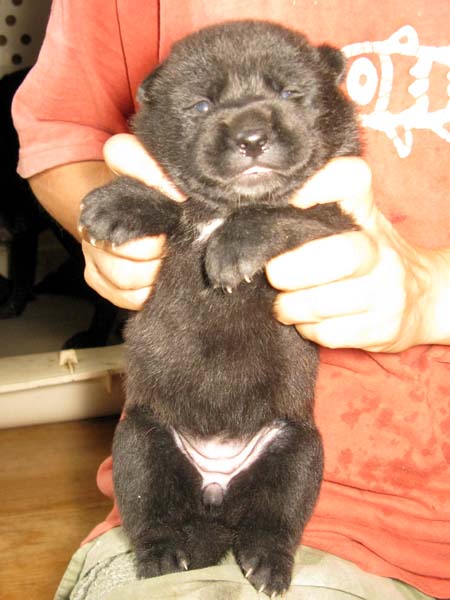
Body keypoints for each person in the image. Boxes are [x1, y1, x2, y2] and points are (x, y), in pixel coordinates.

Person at [12, 1, 450, 599]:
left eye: (290, 95)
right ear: (154, 111)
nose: (250, 129)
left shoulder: (326, 205)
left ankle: (271, 538)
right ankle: (157, 539)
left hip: (305, 451)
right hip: (168, 435)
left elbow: (324, 226)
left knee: (296, 447)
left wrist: (430, 292)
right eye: (201, 106)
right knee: (144, 444)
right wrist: (113, 215)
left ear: (333, 90)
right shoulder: (177, 187)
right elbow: (62, 135)